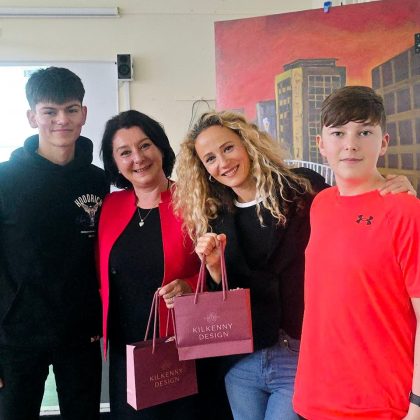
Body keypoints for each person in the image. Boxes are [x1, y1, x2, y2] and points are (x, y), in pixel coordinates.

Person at [173, 110, 416, 420]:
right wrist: (214, 270)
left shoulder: (303, 187)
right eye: (210, 158)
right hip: (242, 360)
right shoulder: (214, 214)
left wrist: (392, 187)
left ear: (247, 144)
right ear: (204, 168)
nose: (223, 162)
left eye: (228, 147)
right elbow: (226, 292)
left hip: (300, 353)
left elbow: (350, 205)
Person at [293, 86, 420, 420]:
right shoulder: (321, 204)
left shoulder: (406, 212)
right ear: (321, 144)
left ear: (384, 142)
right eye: (338, 133)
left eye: (364, 132)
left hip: (382, 405)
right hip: (315, 398)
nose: (350, 144)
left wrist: (418, 404)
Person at [0, 67, 108, 420]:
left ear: (83, 113)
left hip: (81, 333)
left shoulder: (98, 181)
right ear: (33, 117)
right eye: (50, 111)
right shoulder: (5, 180)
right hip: (16, 336)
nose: (62, 120)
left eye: (71, 109)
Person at [97, 110, 201, 419]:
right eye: (124, 152)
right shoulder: (111, 206)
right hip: (126, 349)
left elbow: (220, 267)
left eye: (145, 145)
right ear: (115, 162)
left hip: (181, 349)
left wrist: (189, 286)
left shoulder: (194, 201)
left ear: (160, 148)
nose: (138, 158)